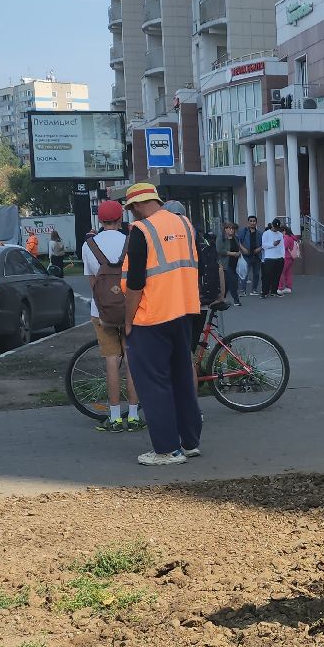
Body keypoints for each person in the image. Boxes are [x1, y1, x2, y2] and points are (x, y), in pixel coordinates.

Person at [120, 182, 203, 466]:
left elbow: (135, 284)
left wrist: (127, 321)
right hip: (184, 312)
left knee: (154, 385)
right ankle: (189, 442)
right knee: (182, 380)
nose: (131, 215)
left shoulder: (141, 231)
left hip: (151, 317)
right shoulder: (185, 224)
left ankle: (167, 450)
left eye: (131, 209)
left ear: (136, 205)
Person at [81, 199, 142, 433]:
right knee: (132, 362)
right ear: (120, 219)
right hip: (130, 312)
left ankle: (115, 418)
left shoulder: (89, 245)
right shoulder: (131, 241)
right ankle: (134, 417)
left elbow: (92, 283)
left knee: (111, 362)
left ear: (100, 220)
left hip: (102, 312)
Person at [167, 200, 222, 355]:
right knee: (190, 346)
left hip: (182, 302)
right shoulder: (197, 236)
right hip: (203, 300)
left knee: (181, 350)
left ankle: (190, 377)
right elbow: (217, 267)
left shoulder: (170, 237)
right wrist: (219, 294)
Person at [260, 219, 287, 297]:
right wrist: (273, 244)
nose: (276, 229)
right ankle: (265, 292)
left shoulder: (280, 234)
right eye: (275, 227)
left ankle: (274, 291)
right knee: (267, 276)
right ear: (272, 225)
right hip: (269, 258)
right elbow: (264, 245)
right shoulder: (266, 233)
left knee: (277, 275)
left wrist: (283, 256)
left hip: (279, 257)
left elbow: (282, 246)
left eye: (277, 228)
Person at [220, 221, 245, 306]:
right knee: (233, 281)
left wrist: (239, 252)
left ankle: (221, 299)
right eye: (229, 228)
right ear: (225, 229)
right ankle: (236, 300)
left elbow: (238, 247)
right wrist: (232, 253)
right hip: (225, 264)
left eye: (233, 229)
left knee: (227, 283)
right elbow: (220, 250)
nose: (231, 230)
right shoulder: (221, 238)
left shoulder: (235, 238)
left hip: (235, 263)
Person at [237, 215, 263, 296]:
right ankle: (242, 290)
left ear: (256, 222)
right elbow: (237, 241)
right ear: (248, 222)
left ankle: (254, 290)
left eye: (254, 221)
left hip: (256, 256)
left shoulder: (260, 233)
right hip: (246, 256)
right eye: (250, 221)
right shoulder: (243, 231)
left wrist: (259, 248)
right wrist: (243, 248)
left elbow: (264, 243)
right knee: (244, 273)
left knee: (256, 274)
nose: (252, 223)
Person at [280, 224, 299, 294]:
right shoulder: (292, 237)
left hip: (285, 257)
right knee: (288, 273)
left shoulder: (286, 237)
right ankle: (288, 287)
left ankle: (280, 287)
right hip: (290, 257)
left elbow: (283, 247)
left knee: (281, 272)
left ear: (284, 231)